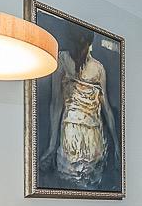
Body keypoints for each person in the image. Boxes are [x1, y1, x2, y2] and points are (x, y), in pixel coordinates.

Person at [39, 31, 117, 187]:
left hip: (94, 133)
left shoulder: (98, 68)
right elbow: (56, 103)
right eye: (77, 43)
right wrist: (52, 145)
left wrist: (117, 145)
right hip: (70, 130)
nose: (79, 48)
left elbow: (106, 108)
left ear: (89, 44)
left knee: (91, 181)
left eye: (83, 44)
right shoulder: (62, 60)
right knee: (71, 178)